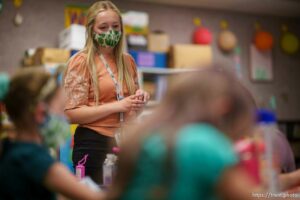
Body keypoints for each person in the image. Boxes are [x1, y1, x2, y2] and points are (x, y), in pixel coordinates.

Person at [106, 67, 300, 200]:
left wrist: (291, 180)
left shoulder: (151, 137)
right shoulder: (202, 142)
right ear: (224, 108)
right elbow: (253, 196)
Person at [63, 0, 149, 185]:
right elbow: (70, 113)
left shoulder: (128, 62)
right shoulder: (81, 62)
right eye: (103, 27)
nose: (111, 31)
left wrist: (139, 102)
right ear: (92, 30)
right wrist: (117, 105)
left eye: (115, 26)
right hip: (93, 143)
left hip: (125, 141)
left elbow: (130, 110)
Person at [0, 67, 103, 200]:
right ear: (41, 113)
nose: (65, 118)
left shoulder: (13, 149)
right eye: (61, 110)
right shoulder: (34, 159)